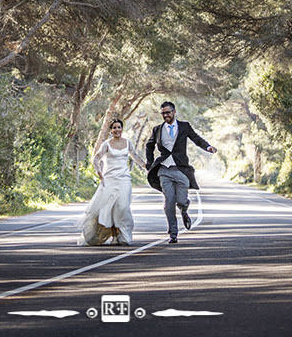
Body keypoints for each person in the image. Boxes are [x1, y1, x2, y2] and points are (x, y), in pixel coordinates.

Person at [144, 100, 217, 243]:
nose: (165, 115)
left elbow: (196, 138)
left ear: (174, 112)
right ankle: (173, 233)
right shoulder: (157, 129)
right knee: (168, 203)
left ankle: (184, 210)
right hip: (164, 171)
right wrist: (150, 162)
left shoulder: (184, 126)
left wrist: (208, 147)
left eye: (168, 112)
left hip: (181, 170)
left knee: (181, 201)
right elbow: (149, 145)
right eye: (163, 113)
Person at [79, 117, 143, 246]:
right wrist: (99, 173)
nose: (117, 130)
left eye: (119, 127)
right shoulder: (106, 144)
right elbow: (96, 159)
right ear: (110, 130)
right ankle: (114, 235)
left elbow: (135, 156)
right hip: (109, 180)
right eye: (114, 128)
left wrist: (146, 166)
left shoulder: (128, 142)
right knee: (108, 209)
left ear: (122, 129)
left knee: (122, 207)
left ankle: (122, 234)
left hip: (124, 179)